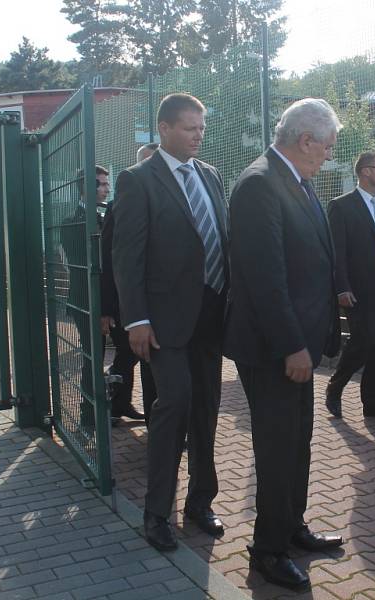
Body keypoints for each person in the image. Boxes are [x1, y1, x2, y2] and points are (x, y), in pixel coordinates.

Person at [224, 98, 344, 591]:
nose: (329, 156)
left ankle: (291, 527)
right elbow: (265, 279)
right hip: (275, 349)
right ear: (305, 140)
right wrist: (293, 345)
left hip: (299, 346)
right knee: (276, 449)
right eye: (328, 147)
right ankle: (268, 550)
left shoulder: (297, 180)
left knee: (296, 444)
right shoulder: (258, 184)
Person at [112, 93, 229, 551]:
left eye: (201, 127)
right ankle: (156, 512)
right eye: (188, 127)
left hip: (212, 315)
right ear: (163, 129)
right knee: (174, 404)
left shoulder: (212, 176)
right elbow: (128, 255)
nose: (198, 135)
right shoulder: (138, 180)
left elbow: (221, 236)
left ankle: (201, 502)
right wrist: (135, 318)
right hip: (163, 321)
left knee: (207, 410)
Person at [325, 151, 375, 421]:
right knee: (363, 341)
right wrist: (341, 287)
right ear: (365, 172)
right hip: (358, 290)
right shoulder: (342, 206)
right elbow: (337, 250)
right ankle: (335, 387)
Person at [99, 148, 158, 425]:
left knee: (146, 364)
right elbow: (113, 260)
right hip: (131, 304)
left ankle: (128, 407)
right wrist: (107, 307)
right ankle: (117, 403)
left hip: (164, 304)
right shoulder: (119, 203)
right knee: (132, 357)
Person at [61, 165, 110, 431]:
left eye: (106, 183)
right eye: (101, 184)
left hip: (110, 302)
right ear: (85, 188)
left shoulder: (107, 216)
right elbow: (84, 269)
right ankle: (88, 415)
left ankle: (117, 404)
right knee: (93, 357)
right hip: (86, 302)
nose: (107, 188)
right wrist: (99, 310)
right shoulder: (73, 222)